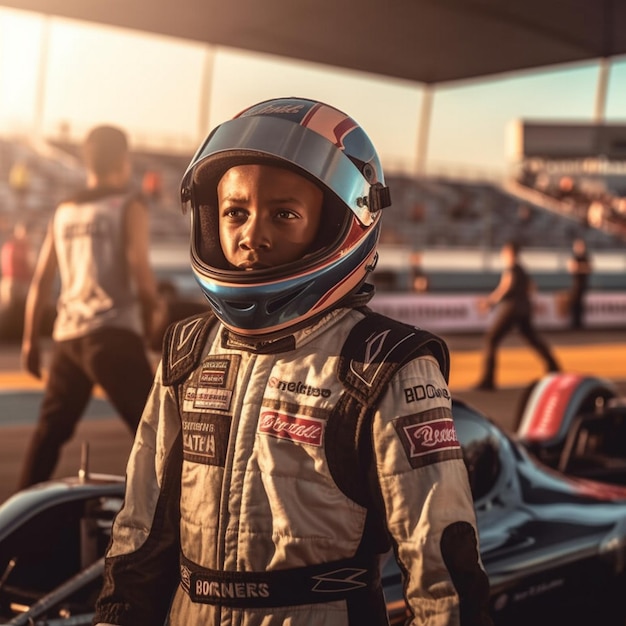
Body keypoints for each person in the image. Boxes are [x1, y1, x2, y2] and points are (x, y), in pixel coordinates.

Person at [93, 97, 492, 626]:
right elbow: (140, 532)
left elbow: (442, 572)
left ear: (343, 222)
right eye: (235, 212)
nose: (252, 235)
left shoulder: (386, 364)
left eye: (284, 214)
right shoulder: (188, 351)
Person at [17, 125, 163, 490]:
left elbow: (41, 281)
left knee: (49, 436)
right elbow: (142, 276)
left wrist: (30, 342)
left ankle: (13, 527)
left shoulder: (64, 210)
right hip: (112, 334)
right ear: (123, 160)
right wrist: (154, 321)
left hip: (68, 340)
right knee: (157, 432)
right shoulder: (130, 205)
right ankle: (163, 524)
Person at [474, 240, 560, 391]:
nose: (502, 255)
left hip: (512, 309)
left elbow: (505, 288)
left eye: (503, 252)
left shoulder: (511, 269)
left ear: (509, 253)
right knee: (533, 340)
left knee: (491, 339)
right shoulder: (522, 269)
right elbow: (532, 287)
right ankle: (554, 367)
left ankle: (488, 380)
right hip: (524, 309)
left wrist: (489, 302)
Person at [567, 237, 591, 329]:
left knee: (580, 304)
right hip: (575, 285)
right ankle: (574, 323)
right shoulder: (574, 257)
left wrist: (579, 268)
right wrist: (582, 268)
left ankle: (579, 323)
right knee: (574, 303)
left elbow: (589, 268)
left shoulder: (586, 257)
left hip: (583, 284)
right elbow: (572, 268)